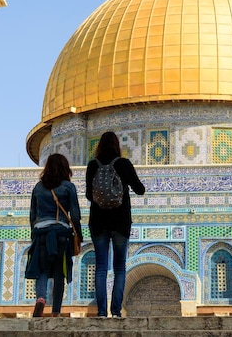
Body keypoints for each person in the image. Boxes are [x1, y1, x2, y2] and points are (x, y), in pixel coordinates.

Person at [86, 132, 146, 317]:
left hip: (98, 223)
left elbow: (89, 195)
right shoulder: (123, 164)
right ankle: (116, 311)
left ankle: (102, 312)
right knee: (120, 267)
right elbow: (140, 190)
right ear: (117, 146)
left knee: (101, 268)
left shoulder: (92, 166)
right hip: (121, 222)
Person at [26, 153, 83, 317]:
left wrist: (34, 234)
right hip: (61, 233)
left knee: (42, 271)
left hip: (41, 232)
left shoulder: (38, 187)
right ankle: (56, 311)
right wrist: (79, 233)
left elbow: (32, 214)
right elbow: (76, 214)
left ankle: (41, 298)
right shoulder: (68, 187)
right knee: (60, 273)